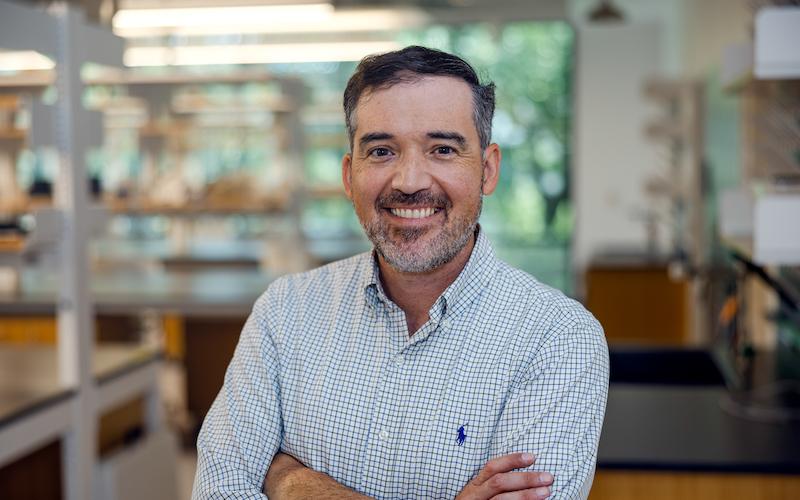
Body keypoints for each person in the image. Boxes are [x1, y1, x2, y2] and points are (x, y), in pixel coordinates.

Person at [192, 45, 609, 500]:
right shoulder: (285, 311)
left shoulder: (558, 337)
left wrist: (294, 481)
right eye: (382, 150)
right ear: (350, 176)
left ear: (487, 170)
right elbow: (218, 490)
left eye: (443, 149)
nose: (410, 181)